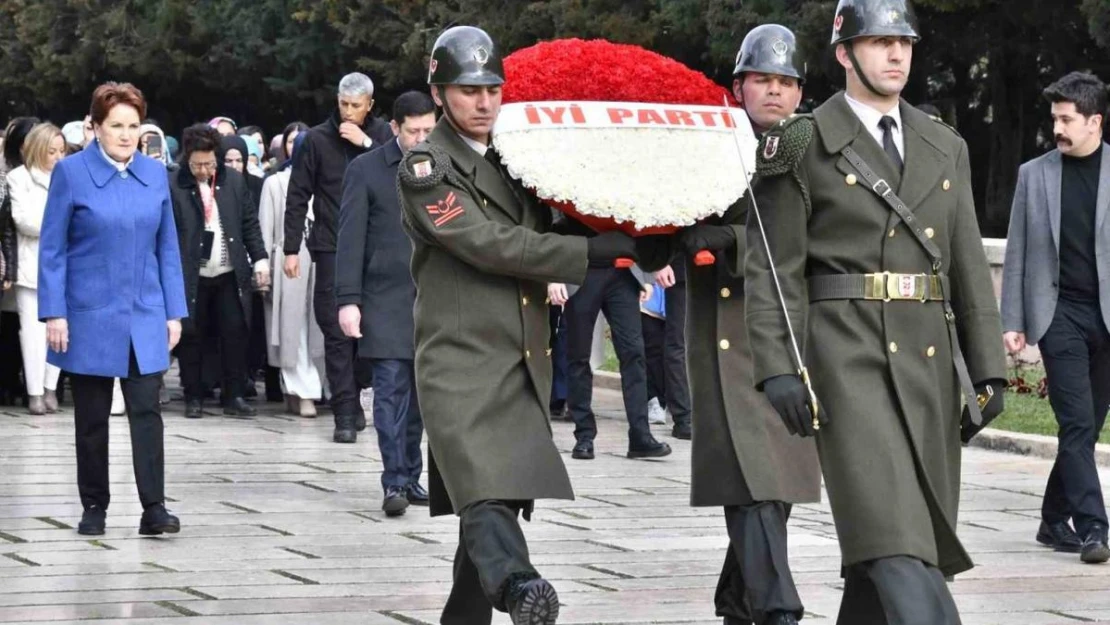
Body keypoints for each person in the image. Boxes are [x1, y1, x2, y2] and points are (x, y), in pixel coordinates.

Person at [746, 1, 1008, 622]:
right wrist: (779, 365)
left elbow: (966, 261)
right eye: (879, 42)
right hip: (846, 357)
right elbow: (774, 267)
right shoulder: (803, 141)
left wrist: (988, 365)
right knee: (893, 534)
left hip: (927, 364)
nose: (896, 55)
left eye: (905, 43)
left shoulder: (943, 144)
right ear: (844, 53)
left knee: (895, 544)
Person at [397, 26, 647, 624]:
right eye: (466, 90)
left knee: (495, 500)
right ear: (438, 93)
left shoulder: (515, 160)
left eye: (492, 88)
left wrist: (626, 232)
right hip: (460, 361)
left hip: (519, 361)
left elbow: (546, 228)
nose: (483, 102)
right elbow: (488, 243)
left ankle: (473, 607)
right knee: (482, 493)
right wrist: (584, 256)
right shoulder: (425, 167)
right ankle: (518, 586)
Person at [675, 24, 821, 625]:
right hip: (724, 326)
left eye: (787, 82)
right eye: (763, 79)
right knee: (753, 475)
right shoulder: (706, 140)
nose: (775, 93)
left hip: (789, 321)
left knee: (775, 478)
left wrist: (729, 237)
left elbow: (815, 231)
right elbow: (671, 209)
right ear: (739, 85)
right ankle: (777, 609)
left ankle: (740, 599)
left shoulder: (813, 144)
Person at [38, 82, 187, 537]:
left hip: (144, 310)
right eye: (116, 126)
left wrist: (173, 311)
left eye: (133, 125)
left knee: (147, 410)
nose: (126, 134)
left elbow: (167, 248)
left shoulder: (154, 173)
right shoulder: (72, 173)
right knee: (92, 417)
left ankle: (154, 507)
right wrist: (55, 312)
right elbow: (53, 247)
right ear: (95, 128)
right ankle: (94, 505)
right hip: (89, 313)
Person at [1001, 71, 1110, 564]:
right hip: (1057, 313)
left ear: (1095, 122)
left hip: (1107, 318)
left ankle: (1051, 519)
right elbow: (1018, 250)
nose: (1058, 129)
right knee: (1077, 421)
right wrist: (1013, 319)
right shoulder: (1034, 174)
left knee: (1087, 424)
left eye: (1067, 120)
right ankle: (1093, 528)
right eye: (1055, 119)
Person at [337, 91, 436, 516]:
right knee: (391, 393)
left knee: (420, 398)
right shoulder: (366, 170)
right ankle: (393, 480)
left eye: (429, 130)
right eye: (413, 130)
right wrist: (348, 300)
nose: (421, 138)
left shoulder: (441, 168)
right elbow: (350, 238)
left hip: (431, 299)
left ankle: (412, 475)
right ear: (394, 128)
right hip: (383, 298)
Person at [284, 72, 395, 443]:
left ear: (370, 106)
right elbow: (298, 193)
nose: (349, 112)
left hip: (375, 248)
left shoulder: (382, 138)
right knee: (334, 331)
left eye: (356, 106)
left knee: (368, 332)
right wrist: (289, 248)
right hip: (330, 246)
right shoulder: (316, 140)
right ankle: (344, 413)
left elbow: (401, 177)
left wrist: (365, 144)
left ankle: (358, 390)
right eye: (343, 104)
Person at [170, 124, 270, 419]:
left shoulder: (234, 182)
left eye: (210, 163)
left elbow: (249, 224)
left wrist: (260, 259)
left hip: (228, 271)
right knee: (192, 335)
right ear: (187, 159)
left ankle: (234, 394)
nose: (204, 170)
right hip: (191, 273)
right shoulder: (174, 185)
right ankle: (193, 395)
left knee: (235, 331)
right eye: (198, 164)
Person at [549, 253, 671, 461]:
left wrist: (645, 275)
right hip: (582, 270)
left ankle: (640, 435)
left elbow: (637, 224)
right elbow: (555, 224)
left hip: (624, 272)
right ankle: (584, 435)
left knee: (634, 353)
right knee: (578, 355)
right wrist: (554, 275)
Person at [259, 123, 323, 418]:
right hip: (289, 262)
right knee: (292, 330)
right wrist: (264, 269)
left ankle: (302, 390)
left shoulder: (328, 182)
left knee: (318, 328)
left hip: (322, 259)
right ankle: (305, 392)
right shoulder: (275, 183)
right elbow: (266, 229)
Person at [8, 123, 66, 415]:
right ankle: (34, 393)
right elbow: (23, 220)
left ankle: (51, 388)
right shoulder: (18, 178)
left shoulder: (69, 177)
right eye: (50, 151)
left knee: (59, 331)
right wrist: (58, 223)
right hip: (30, 266)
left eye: (61, 150)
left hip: (64, 267)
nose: (56, 156)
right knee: (31, 333)